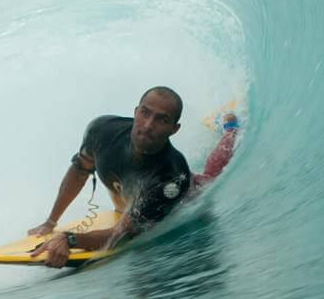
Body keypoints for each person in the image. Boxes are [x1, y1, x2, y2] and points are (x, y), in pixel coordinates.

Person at [28, 86, 237, 268]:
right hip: (135, 195)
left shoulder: (171, 178)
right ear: (136, 112)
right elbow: (79, 171)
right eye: (145, 113)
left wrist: (70, 239)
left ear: (174, 129)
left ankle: (230, 129)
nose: (147, 125)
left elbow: (121, 235)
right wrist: (50, 222)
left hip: (183, 194)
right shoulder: (102, 131)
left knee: (208, 177)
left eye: (161, 119)